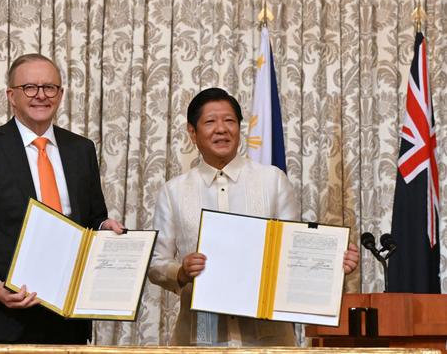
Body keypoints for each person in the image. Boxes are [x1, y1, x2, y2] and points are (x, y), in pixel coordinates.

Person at [148, 87, 359, 346]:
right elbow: (156, 264)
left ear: (239, 128)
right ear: (192, 132)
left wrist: (333, 263)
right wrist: (181, 271)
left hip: (268, 338)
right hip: (202, 335)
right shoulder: (174, 191)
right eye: (211, 122)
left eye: (229, 121)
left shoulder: (272, 180)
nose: (222, 129)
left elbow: (294, 252)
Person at [0, 53, 124, 344]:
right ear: (11, 95)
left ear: (60, 94)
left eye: (50, 88)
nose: (41, 96)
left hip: (68, 321)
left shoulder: (81, 150)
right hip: (5, 321)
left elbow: (93, 218)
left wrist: (104, 228)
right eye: (30, 88)